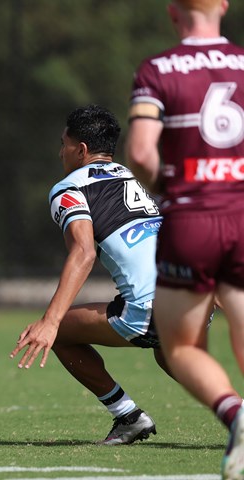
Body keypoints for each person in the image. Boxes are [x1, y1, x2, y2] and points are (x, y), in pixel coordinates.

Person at [125, 1, 244, 477]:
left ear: (174, 11)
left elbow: (139, 151)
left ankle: (236, 416)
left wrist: (166, 186)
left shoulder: (157, 70)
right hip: (241, 211)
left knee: (181, 346)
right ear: (223, 6)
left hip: (190, 218)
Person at [11, 105, 171, 445]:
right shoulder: (132, 177)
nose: (60, 152)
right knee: (171, 351)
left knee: (62, 333)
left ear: (81, 150)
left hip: (152, 309)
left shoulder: (69, 188)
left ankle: (128, 415)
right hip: (195, 297)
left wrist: (50, 322)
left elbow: (84, 252)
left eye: (63, 143)